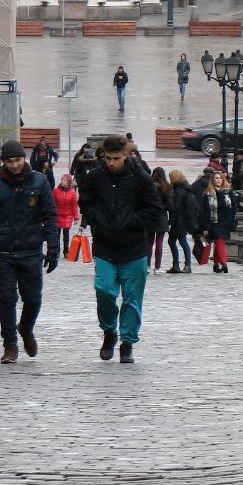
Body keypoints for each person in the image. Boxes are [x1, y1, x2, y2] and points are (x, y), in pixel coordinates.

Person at [78, 133, 162, 364]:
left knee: (132, 299)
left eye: (116, 158)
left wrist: (131, 221)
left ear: (126, 155)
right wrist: (97, 218)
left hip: (133, 248)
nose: (111, 162)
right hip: (105, 246)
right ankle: (109, 332)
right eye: (108, 158)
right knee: (104, 291)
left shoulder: (140, 178)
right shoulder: (95, 176)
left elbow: (154, 208)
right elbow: (84, 200)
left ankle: (127, 343)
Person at [0, 140, 59, 363]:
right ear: (3, 162)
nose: (14, 165)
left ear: (23, 158)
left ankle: (25, 328)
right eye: (9, 161)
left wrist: (53, 247)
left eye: (17, 160)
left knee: (33, 299)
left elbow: (49, 216)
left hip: (31, 249)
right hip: (3, 250)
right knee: (7, 298)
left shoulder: (39, 180)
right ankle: (10, 345)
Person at [198, 168, 237, 274]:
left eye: (220, 178)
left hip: (226, 221)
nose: (219, 180)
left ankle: (216, 264)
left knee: (219, 242)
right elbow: (204, 211)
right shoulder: (208, 193)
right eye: (216, 178)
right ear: (213, 180)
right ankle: (224, 263)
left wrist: (232, 219)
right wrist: (205, 227)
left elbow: (233, 207)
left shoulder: (228, 191)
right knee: (219, 241)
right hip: (213, 222)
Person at [166, 169, 197, 273]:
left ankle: (184, 265)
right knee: (174, 241)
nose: (169, 179)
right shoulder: (185, 187)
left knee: (181, 241)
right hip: (182, 219)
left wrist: (170, 222)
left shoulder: (179, 191)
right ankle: (179, 265)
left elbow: (176, 208)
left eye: (170, 177)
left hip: (179, 221)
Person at [147, 168, 172, 273]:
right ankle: (157, 267)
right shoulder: (166, 187)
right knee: (159, 243)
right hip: (161, 216)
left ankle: (147, 266)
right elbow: (170, 205)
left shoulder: (149, 185)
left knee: (148, 243)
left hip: (150, 215)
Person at [53, 172, 80, 256]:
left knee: (66, 233)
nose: (62, 181)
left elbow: (74, 205)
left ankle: (66, 251)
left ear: (69, 182)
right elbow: (52, 203)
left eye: (64, 180)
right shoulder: (56, 191)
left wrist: (76, 217)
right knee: (57, 234)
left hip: (68, 215)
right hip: (58, 215)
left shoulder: (72, 192)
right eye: (62, 179)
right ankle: (57, 251)